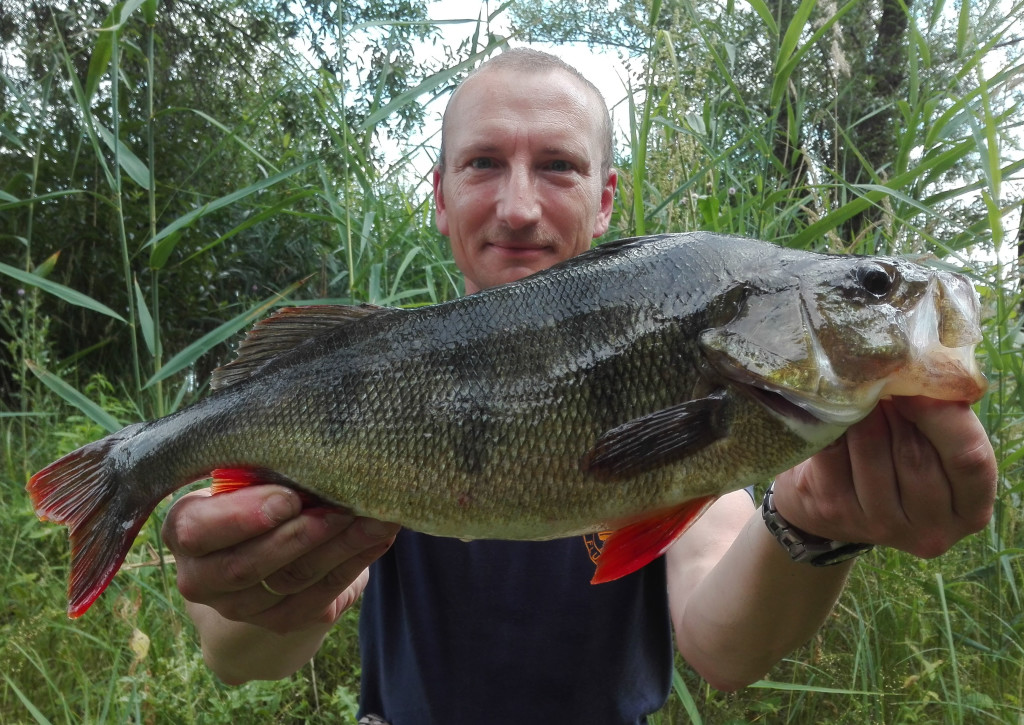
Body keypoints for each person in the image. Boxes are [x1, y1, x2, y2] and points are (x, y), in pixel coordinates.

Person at [161, 48, 997, 723]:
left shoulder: (709, 382)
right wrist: (260, 592)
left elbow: (722, 645)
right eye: (484, 163)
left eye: (557, 166)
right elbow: (239, 659)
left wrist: (816, 522)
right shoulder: (372, 383)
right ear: (441, 198)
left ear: (604, 204)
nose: (519, 206)